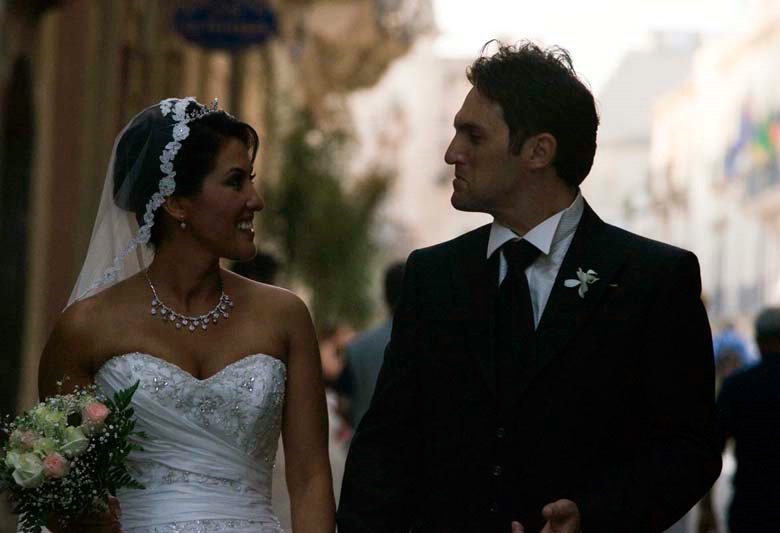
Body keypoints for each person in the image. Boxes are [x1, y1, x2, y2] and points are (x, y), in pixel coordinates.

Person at [338, 41, 720, 533]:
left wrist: (593, 513)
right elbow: (386, 445)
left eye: (473, 136)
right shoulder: (433, 275)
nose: (452, 152)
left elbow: (689, 449)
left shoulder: (652, 279)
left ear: (539, 150)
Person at [38, 97, 335, 533]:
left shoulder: (285, 317)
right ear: (176, 203)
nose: (256, 200)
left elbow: (310, 480)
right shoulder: (87, 328)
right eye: (236, 183)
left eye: (250, 181)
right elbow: (61, 489)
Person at [697, 305, 780, 533]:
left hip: (752, 505)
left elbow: (711, 451)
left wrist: (706, 508)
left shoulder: (738, 386)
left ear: (759, 341)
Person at [340, 260, 405, 430]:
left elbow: (343, 403)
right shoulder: (429, 344)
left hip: (365, 444)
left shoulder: (358, 346)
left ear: (385, 295)